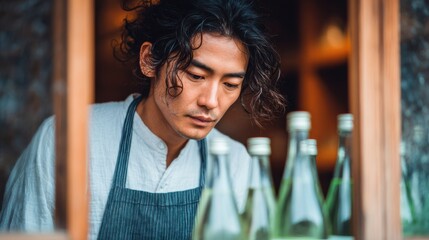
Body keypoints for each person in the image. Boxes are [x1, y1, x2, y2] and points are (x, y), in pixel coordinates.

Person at [0, 0, 285, 239]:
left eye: (230, 85)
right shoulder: (70, 140)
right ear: (149, 60)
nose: (211, 101)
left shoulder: (236, 166)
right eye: (196, 76)